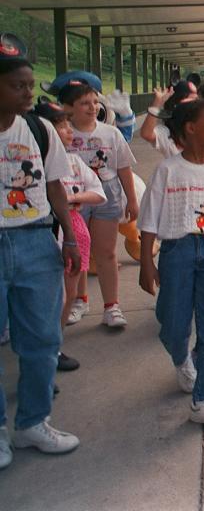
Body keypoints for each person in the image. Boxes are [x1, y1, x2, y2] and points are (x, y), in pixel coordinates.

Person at [0, 33, 82, 469]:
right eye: (19, 86)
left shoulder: (39, 128)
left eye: (30, 85)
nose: (29, 93)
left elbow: (55, 187)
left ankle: (32, 423)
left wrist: (68, 237)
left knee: (42, 339)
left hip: (35, 241)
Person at [137, 99, 204, 431]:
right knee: (172, 323)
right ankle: (182, 358)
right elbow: (150, 218)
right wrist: (145, 262)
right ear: (190, 127)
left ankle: (203, 399)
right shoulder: (168, 169)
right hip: (177, 251)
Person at [32, 99, 106, 372]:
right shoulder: (28, 161)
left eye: (65, 124)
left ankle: (53, 348)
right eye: (59, 125)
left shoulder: (74, 162)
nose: (67, 130)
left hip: (73, 232)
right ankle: (40, 354)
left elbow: (98, 193)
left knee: (68, 294)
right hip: (45, 233)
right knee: (50, 298)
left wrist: (72, 197)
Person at [59, 81, 138, 328]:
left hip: (107, 194)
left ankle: (111, 306)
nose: (92, 107)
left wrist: (132, 200)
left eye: (95, 101)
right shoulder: (62, 134)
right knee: (78, 253)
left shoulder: (110, 133)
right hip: (73, 197)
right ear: (68, 108)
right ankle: (79, 301)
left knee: (107, 252)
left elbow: (123, 168)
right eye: (84, 103)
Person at [140, 80, 198, 157]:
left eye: (196, 100)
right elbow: (146, 134)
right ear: (176, 104)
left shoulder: (203, 124)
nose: (195, 105)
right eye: (190, 100)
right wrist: (158, 103)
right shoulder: (167, 133)